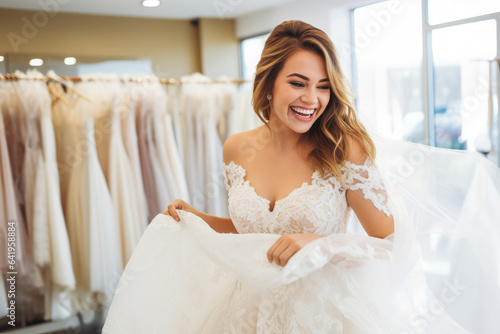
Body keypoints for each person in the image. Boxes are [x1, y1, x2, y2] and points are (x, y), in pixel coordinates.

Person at [102, 20, 500, 333]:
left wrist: (321, 243)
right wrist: (196, 217)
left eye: (323, 87)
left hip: (322, 314)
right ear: (269, 82)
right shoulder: (236, 148)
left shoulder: (343, 148)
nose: (312, 99)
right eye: (298, 83)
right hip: (246, 311)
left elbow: (390, 243)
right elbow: (254, 234)